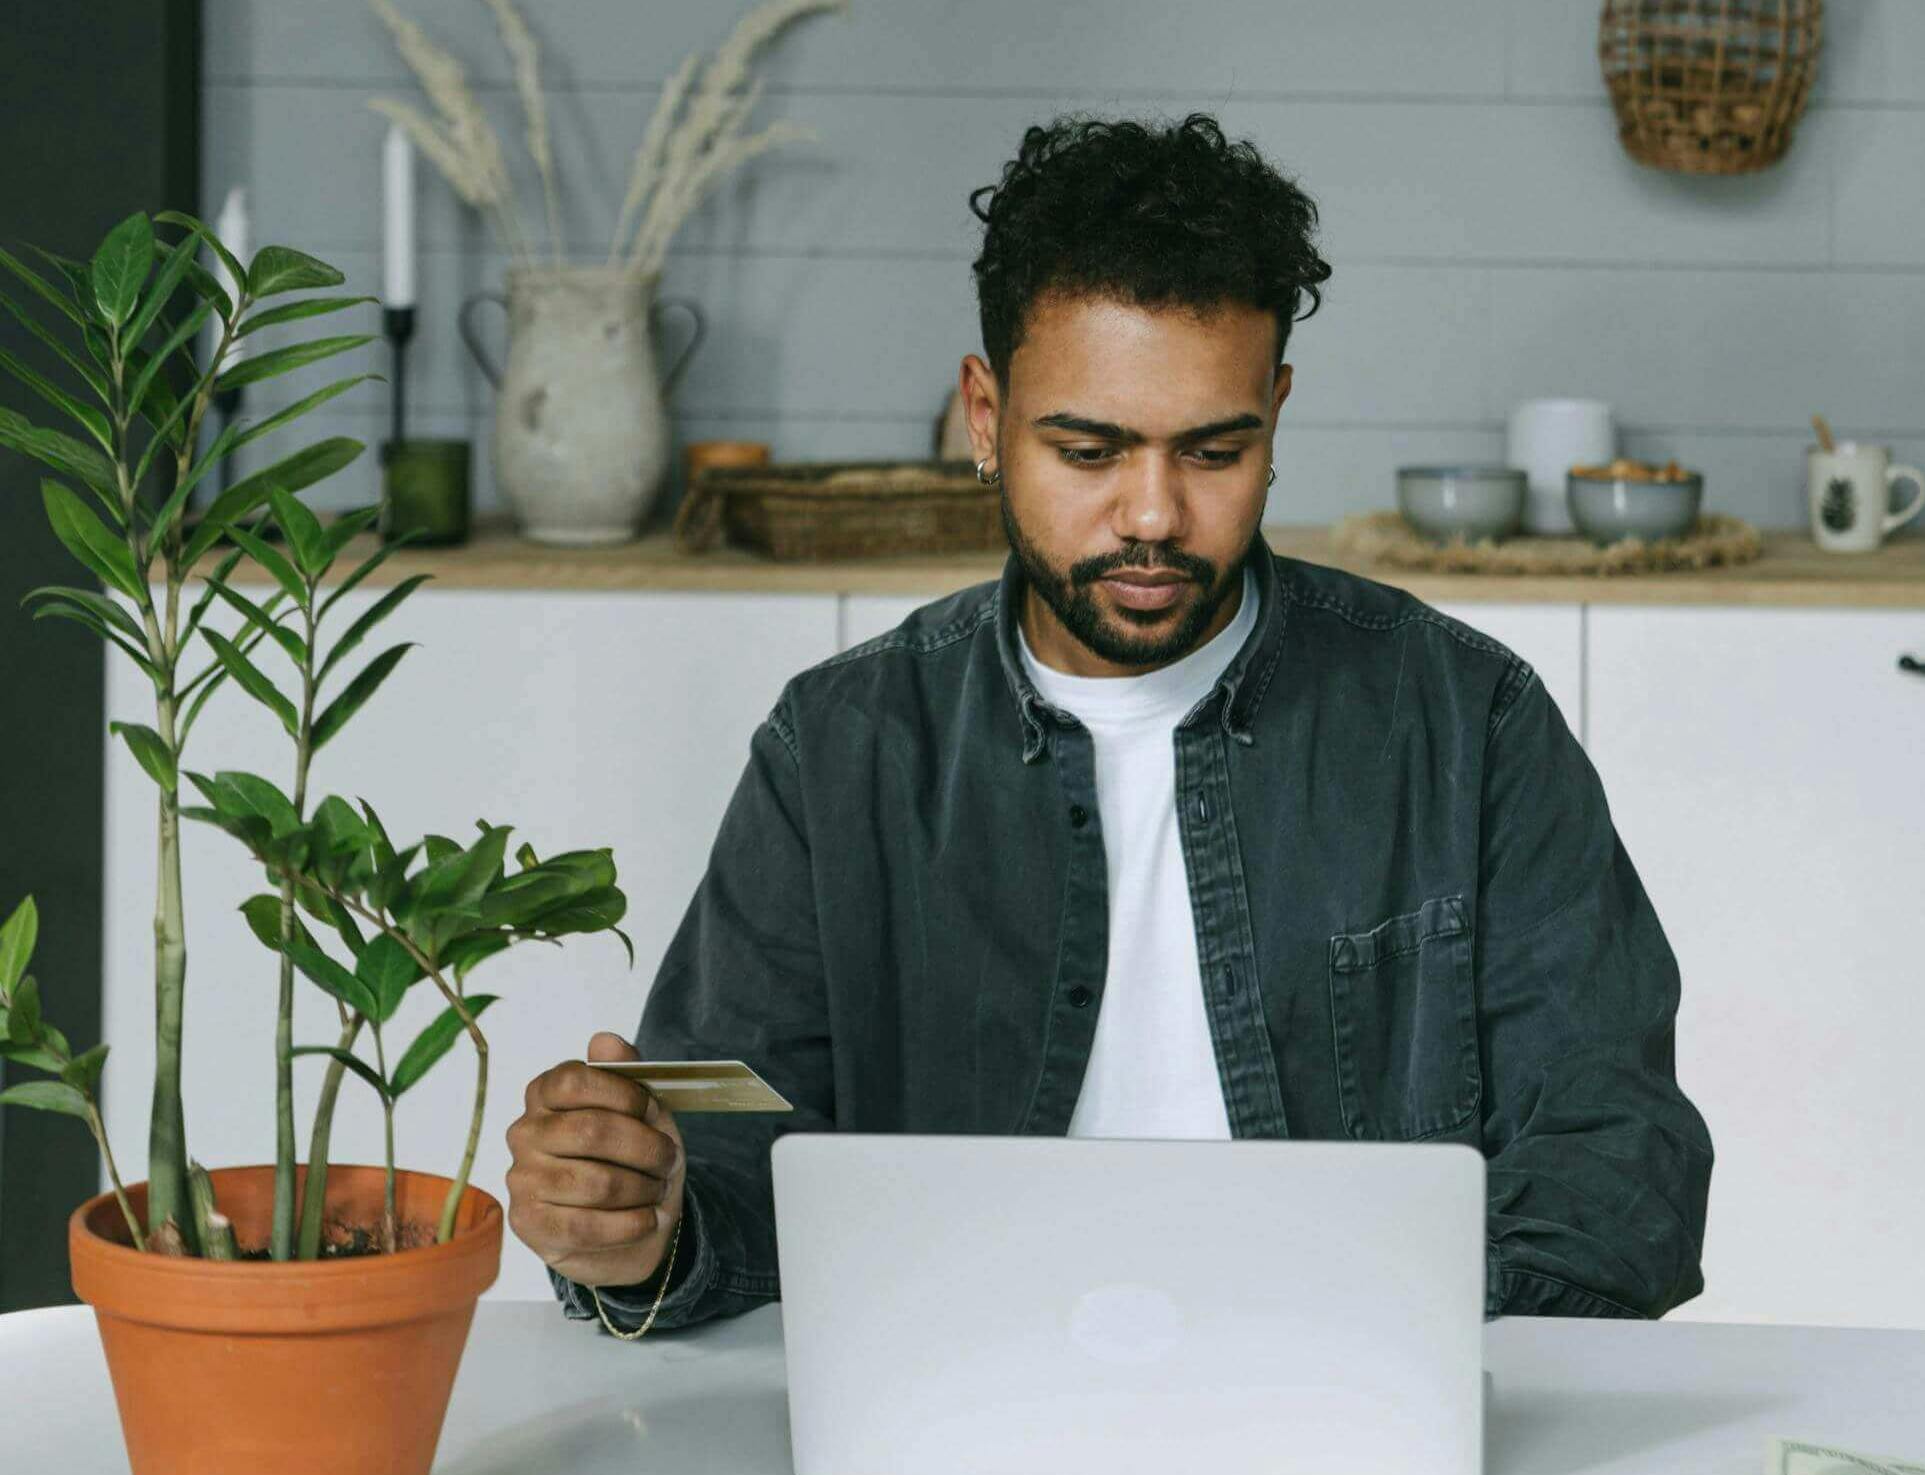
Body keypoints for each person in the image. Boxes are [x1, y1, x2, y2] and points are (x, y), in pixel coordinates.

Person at [506, 112, 1712, 1334]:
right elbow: (719, 1122)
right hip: (949, 1411)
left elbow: (1623, 1158)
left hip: (1356, 1422)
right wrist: (639, 1219)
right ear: (985, 417)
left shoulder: (1467, 723)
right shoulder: (841, 745)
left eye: (1215, 450)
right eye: (1089, 449)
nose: (1152, 514)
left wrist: (1369, 1332)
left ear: (1276, 412)